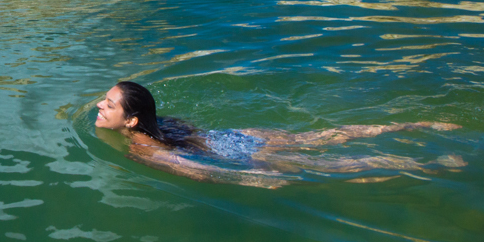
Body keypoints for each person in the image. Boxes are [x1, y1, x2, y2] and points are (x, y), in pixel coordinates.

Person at [94, 81, 463, 188]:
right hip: (236, 136)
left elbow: (198, 171)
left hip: (236, 156)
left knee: (338, 166)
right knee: (324, 137)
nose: (99, 105)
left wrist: (256, 178)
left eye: (109, 104)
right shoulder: (162, 125)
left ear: (131, 121)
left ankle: (429, 164)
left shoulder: (141, 150)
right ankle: (417, 125)